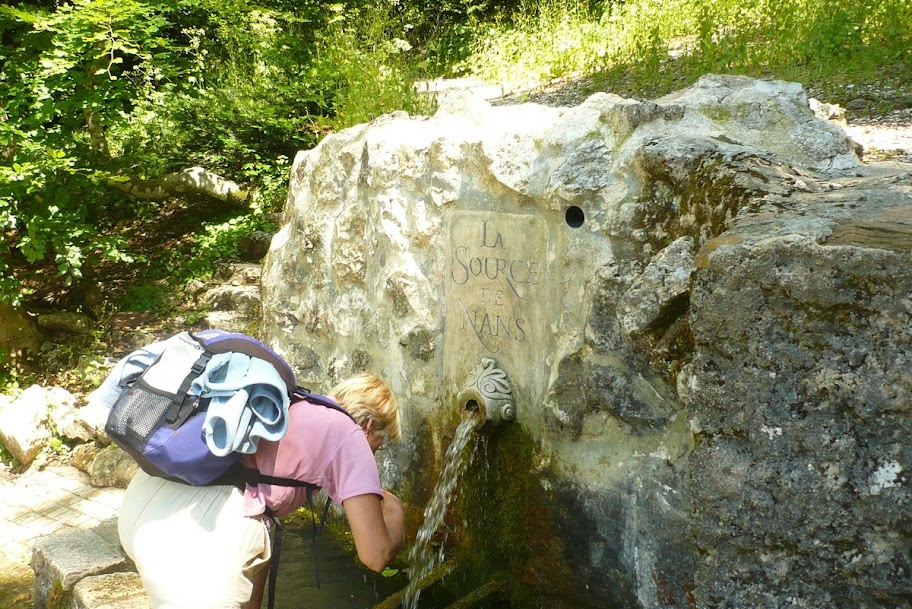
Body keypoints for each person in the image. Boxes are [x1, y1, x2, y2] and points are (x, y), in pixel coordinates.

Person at [116, 372, 406, 609]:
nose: (374, 455)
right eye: (378, 445)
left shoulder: (301, 405)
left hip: (146, 506)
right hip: (202, 532)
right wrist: (397, 519)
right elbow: (375, 556)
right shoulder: (350, 435)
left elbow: (261, 519)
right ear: (368, 426)